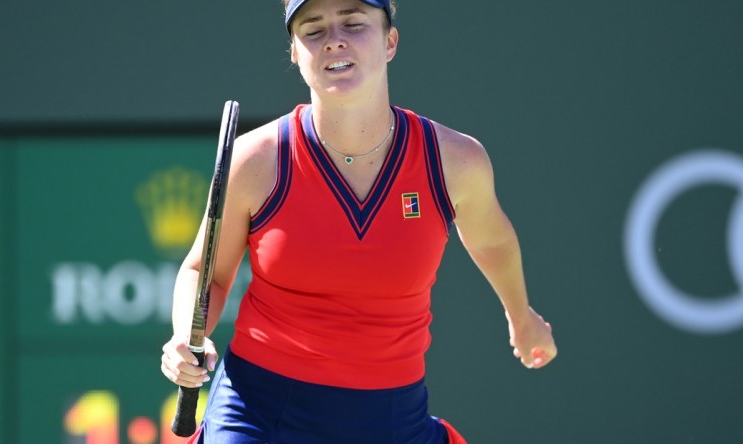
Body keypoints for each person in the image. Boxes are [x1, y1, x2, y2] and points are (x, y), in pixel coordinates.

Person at [160, 0, 557, 442]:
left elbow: (492, 242)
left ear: (390, 42)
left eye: (353, 23)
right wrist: (183, 336)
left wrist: (521, 317)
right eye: (313, 30)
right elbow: (205, 273)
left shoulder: (456, 160)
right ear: (294, 52)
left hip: (392, 417)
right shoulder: (257, 160)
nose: (334, 40)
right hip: (260, 412)